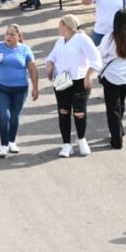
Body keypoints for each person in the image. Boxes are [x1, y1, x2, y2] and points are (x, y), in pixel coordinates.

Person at [45, 14, 103, 158]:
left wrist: (89, 75)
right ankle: (66, 144)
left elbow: (96, 59)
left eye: (60, 24)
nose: (58, 27)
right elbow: (52, 56)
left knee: (79, 112)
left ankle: (81, 139)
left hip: (79, 81)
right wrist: (49, 64)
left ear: (67, 25)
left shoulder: (82, 39)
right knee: (63, 111)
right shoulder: (60, 41)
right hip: (62, 80)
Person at [0, 24, 40, 157]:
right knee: (4, 116)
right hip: (1, 88)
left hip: (20, 89)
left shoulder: (25, 50)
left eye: (12, 34)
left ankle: (12, 142)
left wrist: (35, 88)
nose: (8, 36)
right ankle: (3, 145)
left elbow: (33, 69)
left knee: (14, 117)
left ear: (19, 36)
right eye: (7, 34)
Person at [98, 11, 126, 149]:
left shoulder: (109, 38)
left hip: (112, 76)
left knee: (112, 109)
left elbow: (100, 53)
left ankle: (116, 139)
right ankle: (119, 129)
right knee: (121, 103)